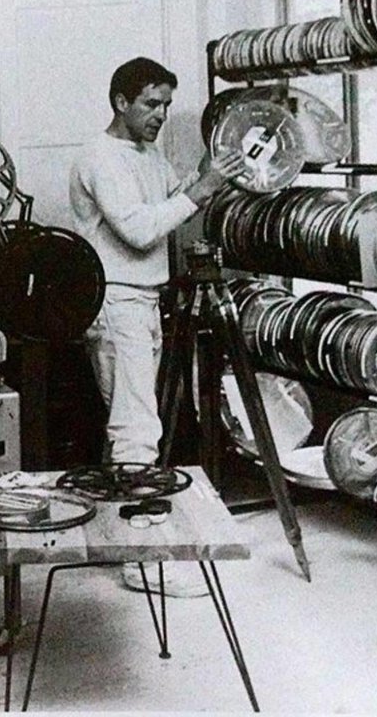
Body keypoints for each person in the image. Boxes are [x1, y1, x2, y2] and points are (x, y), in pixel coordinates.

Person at [69, 56, 245, 594]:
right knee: (137, 431)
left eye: (167, 104)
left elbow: (176, 201)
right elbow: (142, 231)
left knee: (128, 422)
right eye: (151, 104)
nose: (161, 115)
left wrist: (215, 175)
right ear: (120, 102)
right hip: (115, 304)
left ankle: (113, 538)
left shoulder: (145, 153)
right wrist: (202, 188)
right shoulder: (101, 158)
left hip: (142, 301)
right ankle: (141, 561)